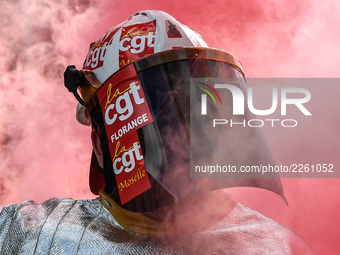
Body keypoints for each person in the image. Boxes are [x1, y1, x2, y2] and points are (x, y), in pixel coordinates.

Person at [0, 10, 318, 254]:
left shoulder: (278, 246)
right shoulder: (28, 233)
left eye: (182, 112)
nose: (173, 137)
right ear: (101, 140)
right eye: (156, 115)